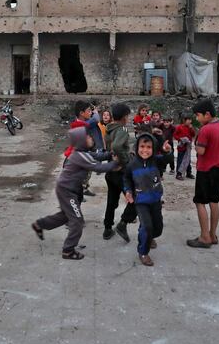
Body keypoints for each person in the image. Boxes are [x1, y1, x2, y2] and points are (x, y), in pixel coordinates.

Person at [31, 127, 118, 260]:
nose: (91, 138)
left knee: (66, 216)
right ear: (81, 141)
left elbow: (98, 156)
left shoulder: (82, 153)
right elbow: (98, 167)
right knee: (77, 221)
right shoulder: (80, 156)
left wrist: (110, 154)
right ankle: (68, 250)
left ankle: (40, 224)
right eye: (88, 137)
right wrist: (116, 163)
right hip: (67, 191)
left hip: (68, 189)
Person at [187, 99, 219, 249]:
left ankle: (204, 237)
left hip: (206, 170)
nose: (197, 118)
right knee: (214, 201)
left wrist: (196, 138)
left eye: (198, 115)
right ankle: (213, 234)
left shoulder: (206, 129)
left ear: (207, 114)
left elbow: (201, 151)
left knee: (200, 202)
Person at [123, 133, 171, 266]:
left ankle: (149, 237)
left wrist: (168, 151)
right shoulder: (132, 165)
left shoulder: (156, 160)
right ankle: (143, 252)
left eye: (149, 147)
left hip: (155, 200)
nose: (145, 150)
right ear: (137, 147)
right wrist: (128, 191)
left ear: (154, 148)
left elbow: (168, 159)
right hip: (141, 202)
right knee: (147, 226)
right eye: (142, 146)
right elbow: (126, 178)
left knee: (158, 228)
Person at [104, 103, 137, 242]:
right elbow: (117, 146)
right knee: (135, 199)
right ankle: (123, 224)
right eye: (128, 116)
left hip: (110, 171)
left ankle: (107, 229)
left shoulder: (109, 129)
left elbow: (110, 148)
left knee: (111, 201)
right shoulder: (122, 130)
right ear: (124, 117)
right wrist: (126, 160)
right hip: (121, 173)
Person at [173, 115, 196, 180]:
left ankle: (188, 173)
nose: (189, 121)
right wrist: (180, 139)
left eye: (190, 120)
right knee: (180, 160)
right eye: (188, 120)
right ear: (184, 120)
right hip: (181, 147)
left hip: (188, 147)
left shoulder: (190, 127)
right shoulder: (179, 127)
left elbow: (193, 135)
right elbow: (175, 135)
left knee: (188, 160)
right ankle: (179, 174)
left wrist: (191, 128)